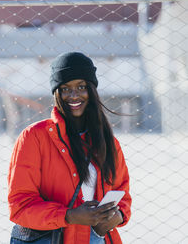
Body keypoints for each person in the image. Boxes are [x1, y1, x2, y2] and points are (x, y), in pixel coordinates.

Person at [8, 52, 132, 243]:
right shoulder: (34, 137)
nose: (74, 95)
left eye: (81, 87)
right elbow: (20, 206)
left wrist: (118, 215)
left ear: (91, 90)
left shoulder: (108, 142)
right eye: (65, 88)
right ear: (56, 92)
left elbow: (122, 192)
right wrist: (69, 216)